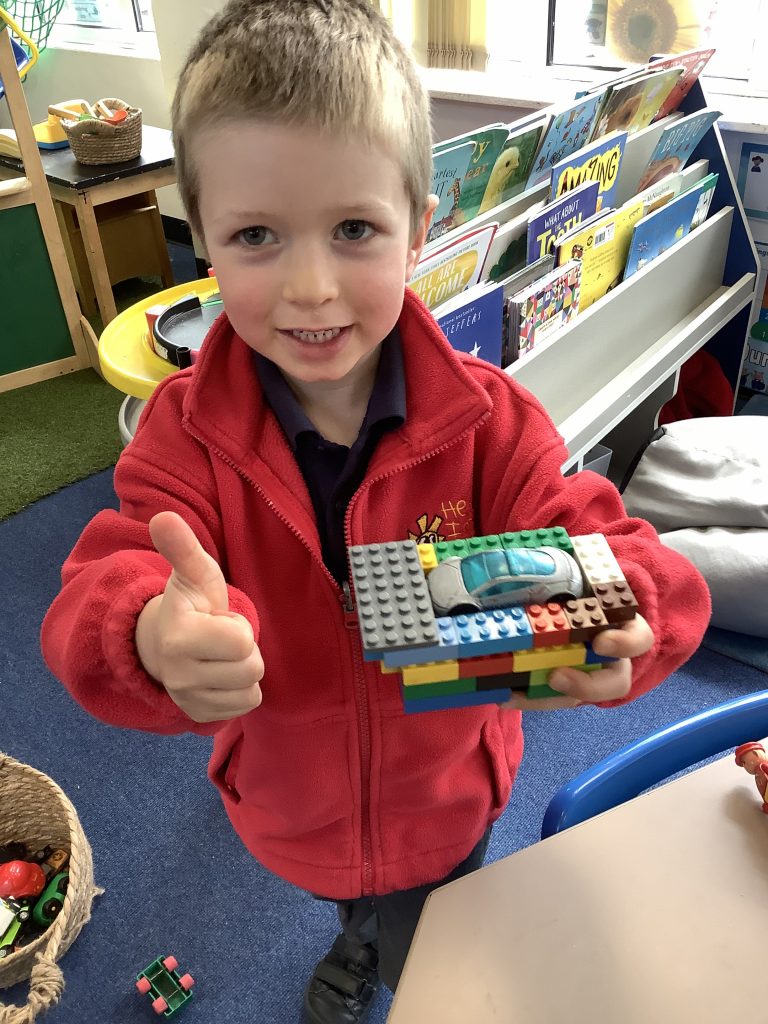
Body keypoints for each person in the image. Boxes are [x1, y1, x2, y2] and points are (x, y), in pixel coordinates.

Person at [40, 2, 711, 1021]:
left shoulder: (492, 422)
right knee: (355, 907)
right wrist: (146, 631)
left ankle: (380, 944)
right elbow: (99, 587)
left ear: (419, 229)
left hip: (449, 803)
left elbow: (633, 559)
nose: (311, 288)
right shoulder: (184, 435)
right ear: (203, 241)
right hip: (289, 809)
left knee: (440, 932)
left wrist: (626, 618)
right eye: (256, 236)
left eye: (354, 230)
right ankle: (356, 937)